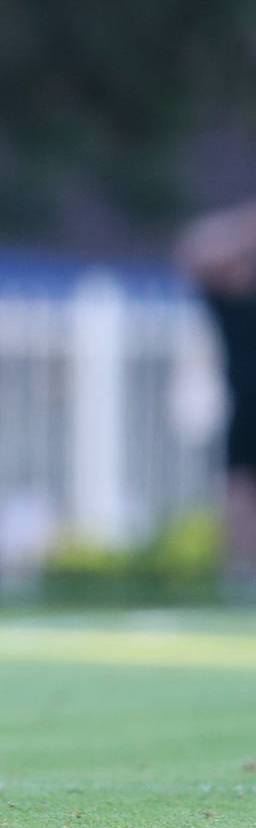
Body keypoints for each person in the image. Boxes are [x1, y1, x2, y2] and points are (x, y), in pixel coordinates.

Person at [177, 198, 256, 594]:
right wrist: (245, 223)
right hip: (247, 406)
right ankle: (241, 574)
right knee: (240, 489)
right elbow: (196, 247)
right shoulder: (224, 301)